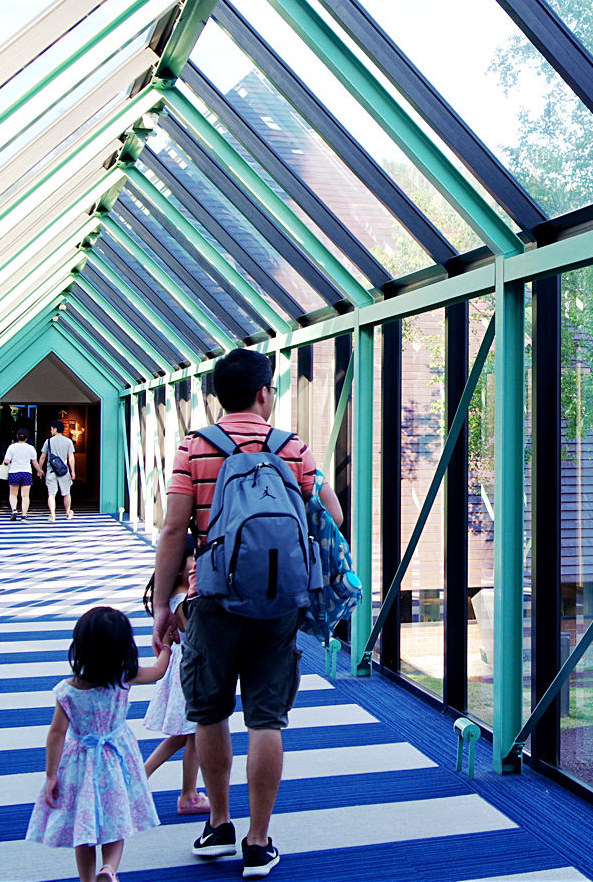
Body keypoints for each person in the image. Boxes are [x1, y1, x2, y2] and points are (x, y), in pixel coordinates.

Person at [152, 348, 343, 880]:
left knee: (209, 710)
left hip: (212, 597)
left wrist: (163, 605)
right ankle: (259, 841)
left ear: (218, 395)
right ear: (265, 394)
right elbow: (334, 514)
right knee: (266, 718)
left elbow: (173, 529)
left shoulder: (194, 448)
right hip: (279, 600)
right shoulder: (292, 447)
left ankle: (218, 822)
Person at [26, 606, 170, 882]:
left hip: (80, 765)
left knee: (85, 826)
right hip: (116, 760)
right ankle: (109, 869)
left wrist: (51, 774)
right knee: (116, 821)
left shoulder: (67, 690)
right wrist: (166, 646)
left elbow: (56, 733)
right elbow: (159, 672)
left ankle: (87, 879)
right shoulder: (125, 676)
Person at [141, 556, 208, 816]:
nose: (196, 563)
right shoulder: (182, 599)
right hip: (193, 669)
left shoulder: (175, 595)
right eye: (193, 557)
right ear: (179, 567)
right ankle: (188, 795)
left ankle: (141, 775)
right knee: (194, 732)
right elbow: (194, 632)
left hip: (185, 668)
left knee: (185, 734)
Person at [40, 420, 78, 522]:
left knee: (51, 494)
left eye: (51, 429)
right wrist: (73, 471)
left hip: (51, 471)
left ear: (55, 429)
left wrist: (39, 470)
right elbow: (71, 458)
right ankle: (68, 513)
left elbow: (43, 457)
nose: (51, 430)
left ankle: (52, 515)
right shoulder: (68, 441)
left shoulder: (48, 441)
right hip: (64, 471)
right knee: (66, 493)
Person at [2, 428, 41, 521]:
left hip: (14, 472)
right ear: (27, 438)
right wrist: (40, 471)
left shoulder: (12, 447)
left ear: (17, 436)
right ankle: (24, 515)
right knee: (25, 495)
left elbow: (6, 460)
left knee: (13, 494)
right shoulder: (31, 448)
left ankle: (14, 510)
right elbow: (34, 462)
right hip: (26, 472)